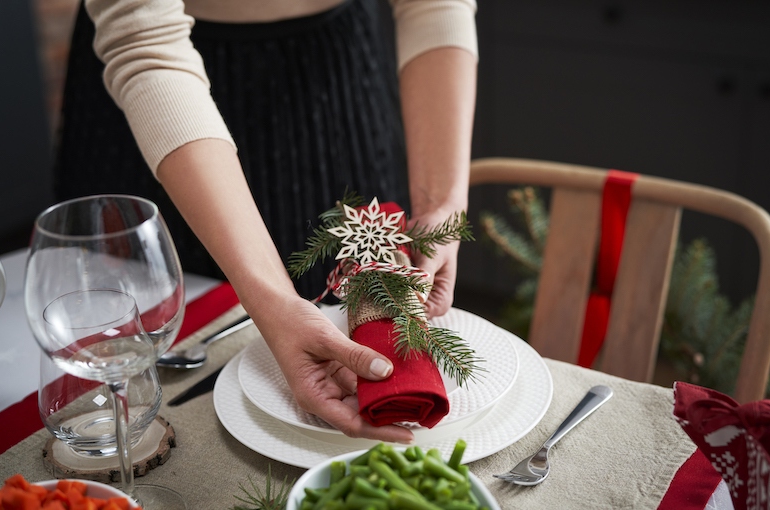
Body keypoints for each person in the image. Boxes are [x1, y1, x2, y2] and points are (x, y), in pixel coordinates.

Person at [52, 0, 477, 444]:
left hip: (335, 77)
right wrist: (273, 300)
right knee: (140, 386)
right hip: (160, 110)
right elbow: (146, 41)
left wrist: (442, 201)